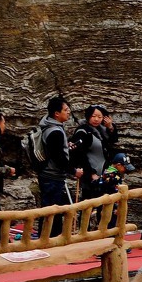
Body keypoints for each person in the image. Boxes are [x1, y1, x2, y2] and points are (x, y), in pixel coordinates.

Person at [38, 96, 79, 240]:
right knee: (51, 210)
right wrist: (74, 171)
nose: (69, 112)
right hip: (52, 176)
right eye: (66, 110)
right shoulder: (54, 131)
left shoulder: (50, 127)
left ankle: (49, 238)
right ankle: (49, 239)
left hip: (50, 175)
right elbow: (58, 158)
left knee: (52, 209)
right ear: (56, 113)